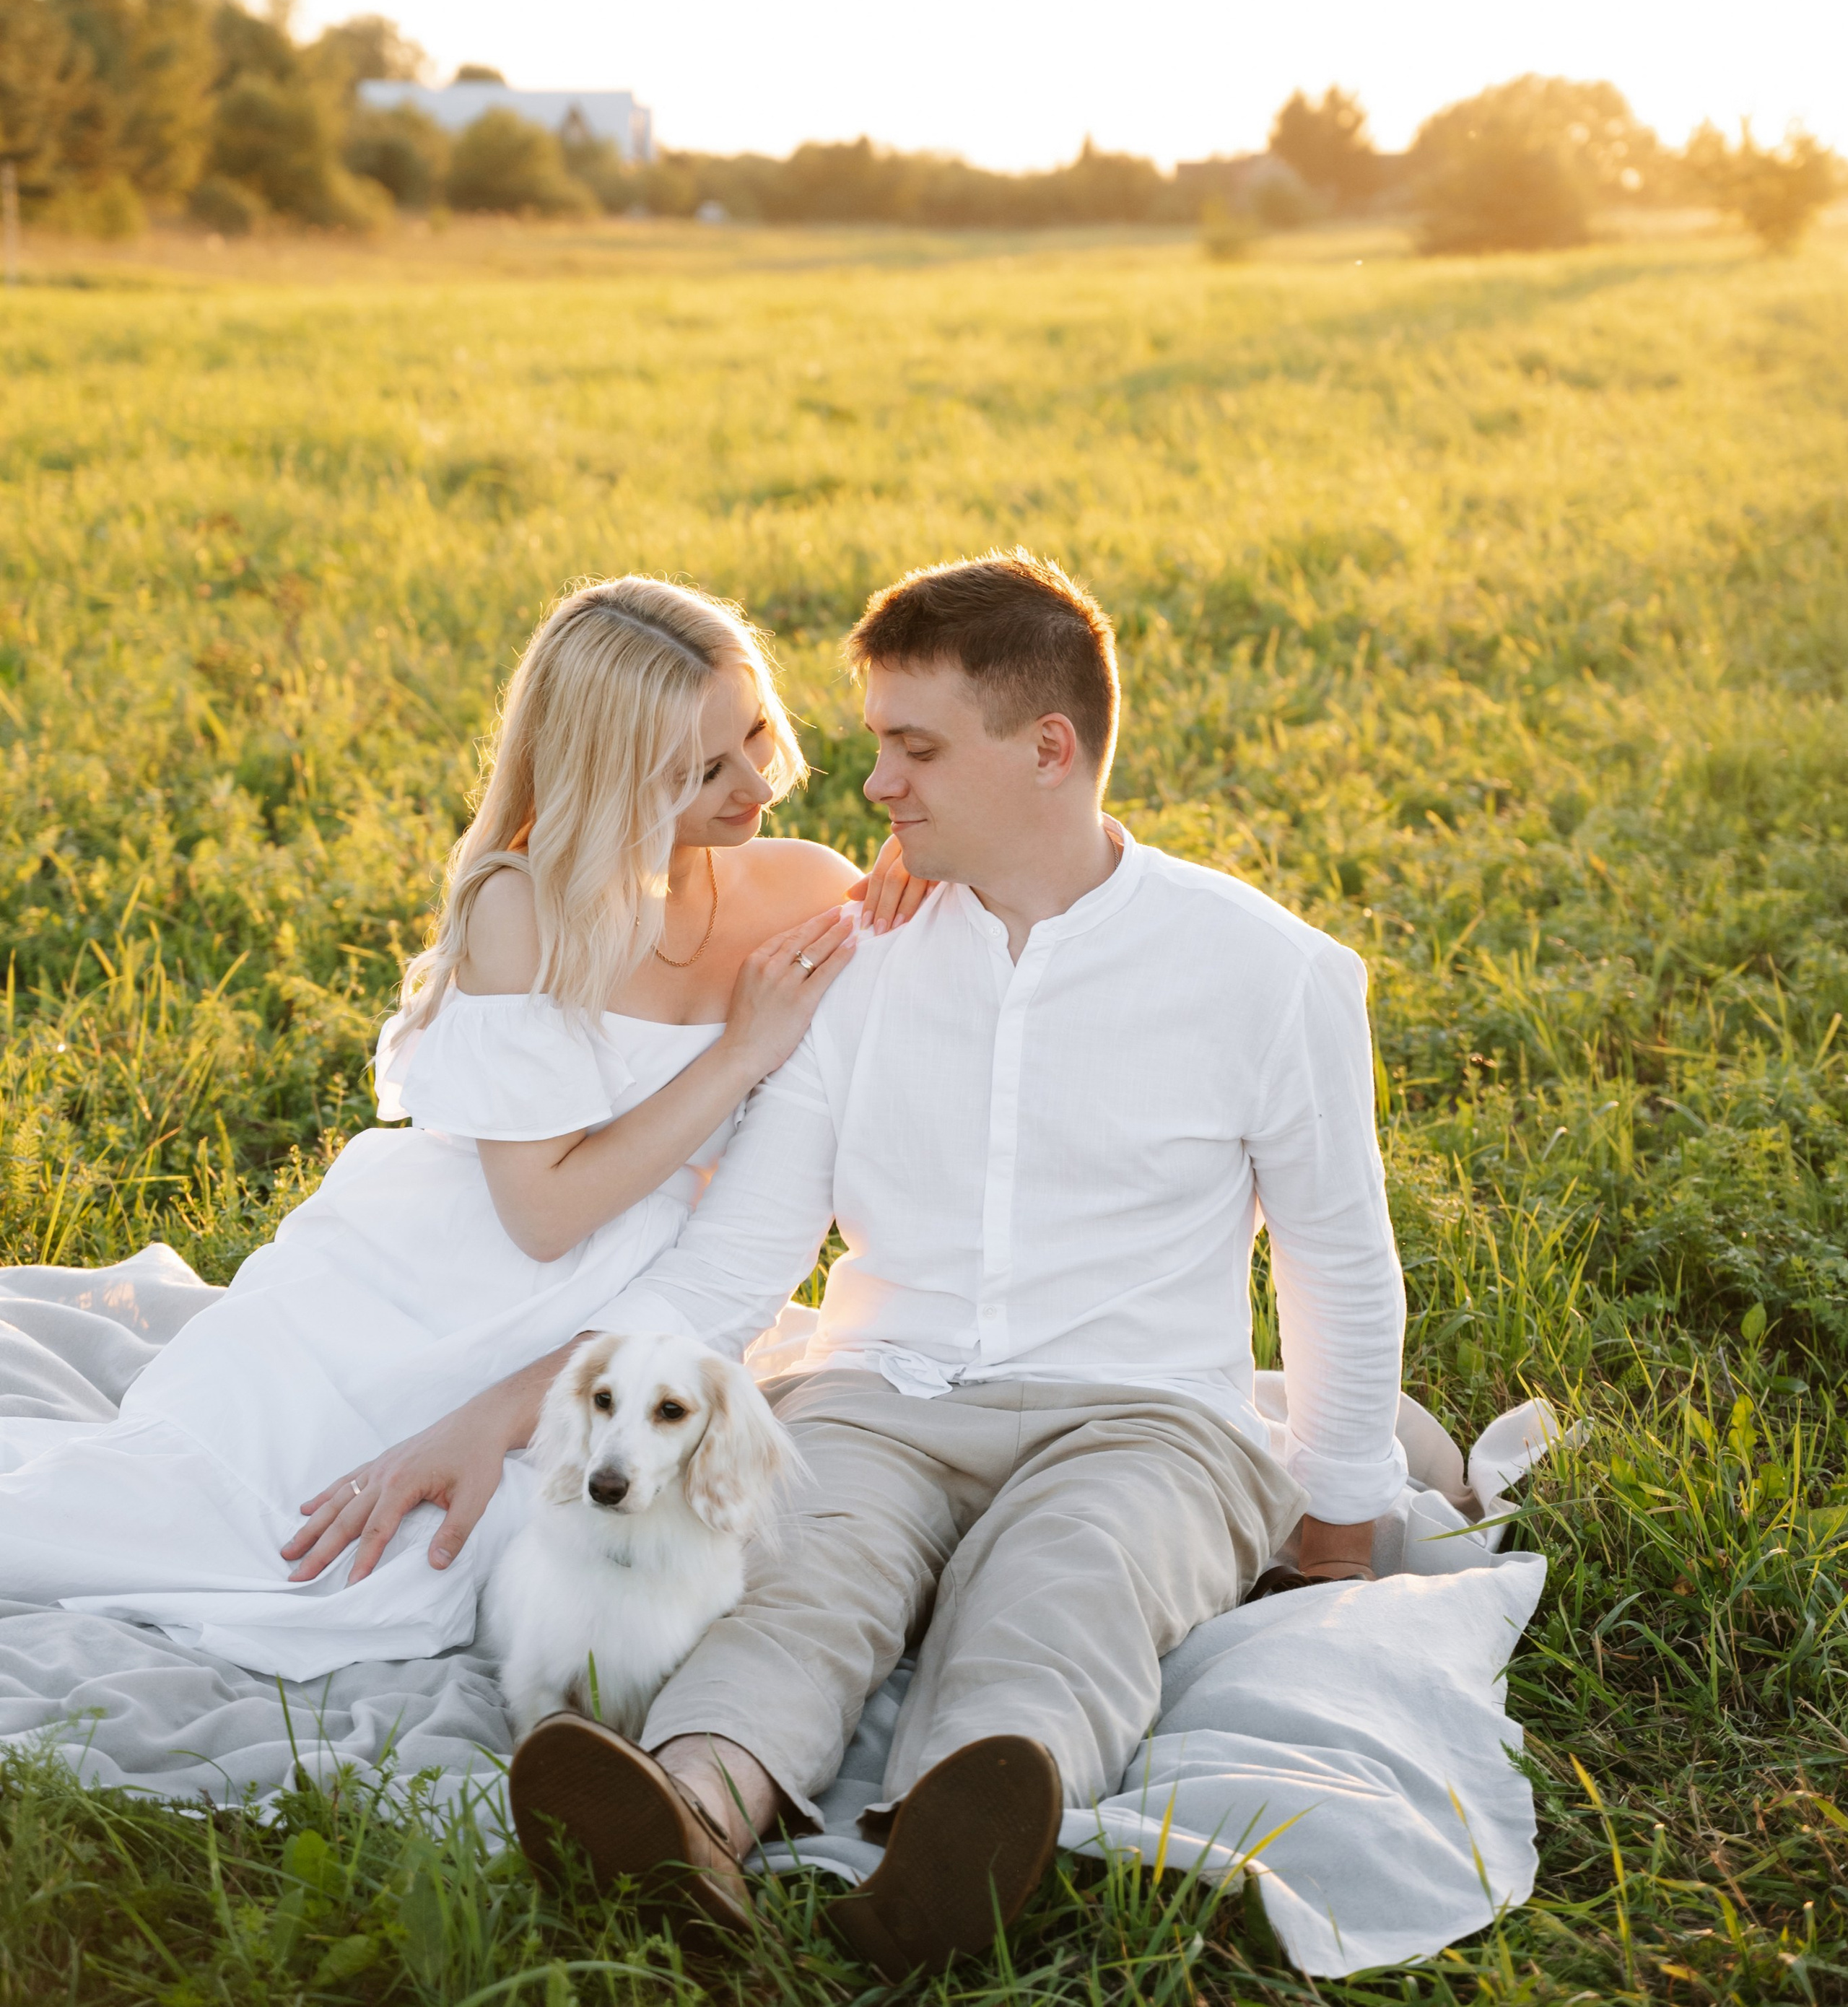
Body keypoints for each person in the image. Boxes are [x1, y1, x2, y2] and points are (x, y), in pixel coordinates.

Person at [315, 551, 1408, 1977]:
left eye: (915, 746)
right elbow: (734, 1265)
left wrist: (1331, 1523)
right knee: (801, 1565)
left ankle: (943, 1852)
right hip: (877, 1383)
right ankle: (690, 1811)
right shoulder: (855, 962)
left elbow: (1338, 1255)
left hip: (1141, 1407)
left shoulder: (1267, 971)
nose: (873, 781)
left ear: (1047, 748)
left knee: (1068, 1579)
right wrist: (512, 1410)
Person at [0, 575, 918, 1673]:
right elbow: (540, 1213)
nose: (757, 785)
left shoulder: (806, 884)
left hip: (650, 1284)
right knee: (259, 1540)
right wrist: (739, 1053)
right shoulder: (524, 908)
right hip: (444, 1282)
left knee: (567, 1545)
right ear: (604, 775)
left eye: (758, 732)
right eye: (701, 772)